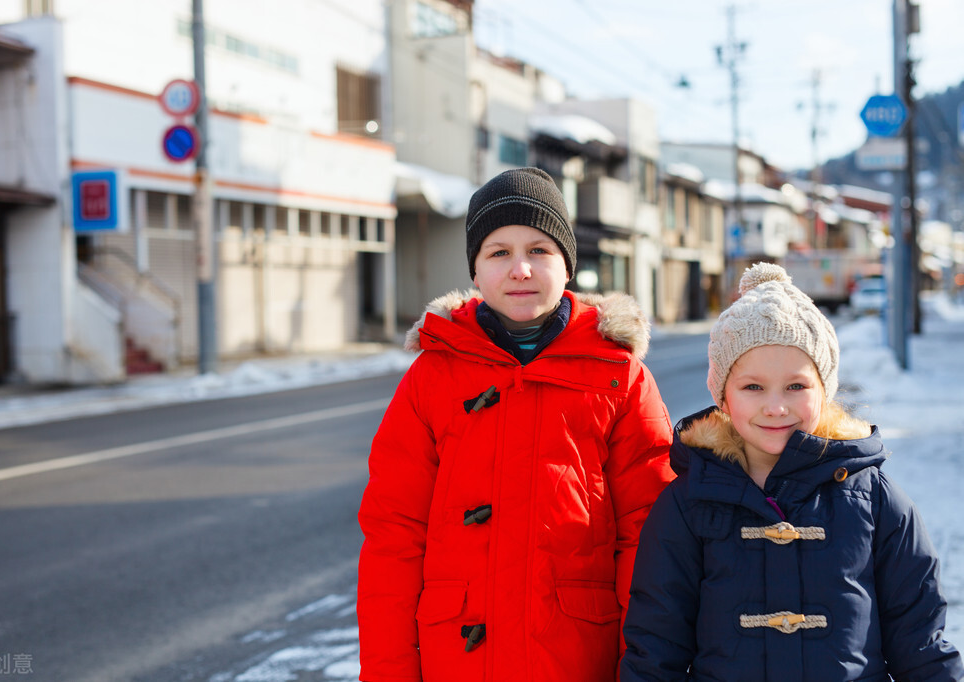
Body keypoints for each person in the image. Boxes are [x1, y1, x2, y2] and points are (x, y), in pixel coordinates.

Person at [357, 167, 675, 682]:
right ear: (475, 271)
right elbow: (393, 539)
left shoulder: (619, 377)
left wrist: (645, 669)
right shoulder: (432, 377)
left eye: (539, 250)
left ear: (567, 265)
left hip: (578, 657)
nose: (520, 269)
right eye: (499, 252)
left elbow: (649, 538)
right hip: (455, 659)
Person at [619, 262, 964, 682]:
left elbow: (921, 644)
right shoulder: (688, 504)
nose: (776, 407)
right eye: (753, 387)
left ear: (825, 391)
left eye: (796, 386)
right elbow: (656, 647)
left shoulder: (875, 500)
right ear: (723, 397)